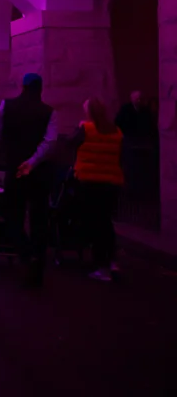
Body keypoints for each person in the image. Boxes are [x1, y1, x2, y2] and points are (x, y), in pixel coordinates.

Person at [0, 73, 57, 287]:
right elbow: (50, 141)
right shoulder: (48, 112)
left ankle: (24, 252)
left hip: (14, 166)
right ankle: (38, 256)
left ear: (23, 86)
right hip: (38, 172)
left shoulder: (7, 106)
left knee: (13, 213)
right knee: (39, 216)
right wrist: (33, 161)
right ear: (40, 88)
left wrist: (13, 151)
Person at [72, 98, 124, 281]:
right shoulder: (116, 131)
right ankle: (112, 261)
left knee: (95, 224)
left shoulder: (85, 129)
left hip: (90, 181)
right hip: (111, 182)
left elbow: (70, 146)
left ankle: (102, 267)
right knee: (106, 223)